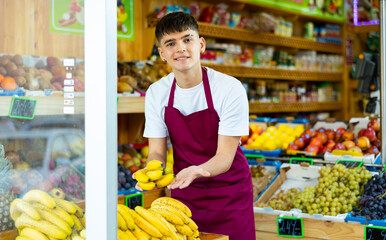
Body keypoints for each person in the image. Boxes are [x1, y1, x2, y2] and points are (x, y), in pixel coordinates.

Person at [137, 11, 255, 239]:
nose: (180, 48)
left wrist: (197, 171)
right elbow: (156, 151)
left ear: (201, 44)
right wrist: (151, 174)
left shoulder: (229, 89)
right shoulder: (157, 93)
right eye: (171, 43)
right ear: (162, 53)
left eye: (187, 39)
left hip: (230, 193)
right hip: (185, 193)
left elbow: (225, 157)